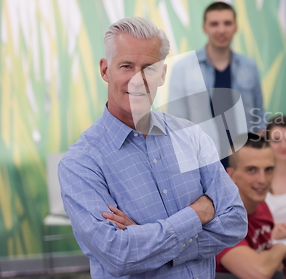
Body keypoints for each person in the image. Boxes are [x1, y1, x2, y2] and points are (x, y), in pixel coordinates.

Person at [58, 17, 247, 278]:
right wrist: (197, 214)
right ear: (105, 70)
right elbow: (119, 255)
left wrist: (148, 243)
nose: (137, 79)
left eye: (149, 67)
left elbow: (235, 221)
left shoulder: (192, 136)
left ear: (162, 74)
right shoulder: (81, 163)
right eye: (126, 66)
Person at [168, 1, 266, 167]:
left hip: (243, 159)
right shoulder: (183, 68)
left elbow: (259, 115)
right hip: (203, 159)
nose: (221, 30)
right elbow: (176, 122)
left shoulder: (249, 66)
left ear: (236, 26)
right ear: (204, 28)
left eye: (227, 23)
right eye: (214, 24)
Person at [217, 133, 286, 279]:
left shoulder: (261, 206)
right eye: (252, 170)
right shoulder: (221, 221)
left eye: (269, 170)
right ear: (231, 175)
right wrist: (281, 248)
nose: (262, 180)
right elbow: (259, 273)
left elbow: (284, 269)